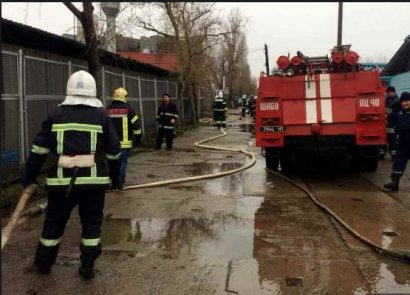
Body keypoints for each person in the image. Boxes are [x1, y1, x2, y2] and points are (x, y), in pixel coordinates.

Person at [22, 70, 121, 279]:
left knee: (54, 224)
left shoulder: (56, 114)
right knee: (92, 225)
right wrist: (115, 179)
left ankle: (43, 265)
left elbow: (39, 150)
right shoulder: (101, 115)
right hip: (94, 183)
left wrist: (29, 178)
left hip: (61, 183)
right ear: (93, 91)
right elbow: (114, 151)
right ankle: (87, 268)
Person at [106, 87, 142, 188]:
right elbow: (136, 127)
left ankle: (112, 180)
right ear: (125, 97)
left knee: (111, 163)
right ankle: (119, 180)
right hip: (124, 144)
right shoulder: (129, 110)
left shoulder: (107, 110)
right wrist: (138, 139)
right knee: (122, 162)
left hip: (110, 144)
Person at [384, 92, 410, 191]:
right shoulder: (399, 111)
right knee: (398, 162)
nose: (405, 103)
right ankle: (394, 183)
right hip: (402, 143)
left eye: (407, 101)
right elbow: (390, 119)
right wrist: (386, 119)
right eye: (403, 101)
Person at [382, 86, 401, 161]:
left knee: (392, 140)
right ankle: (381, 154)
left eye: (391, 92)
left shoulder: (397, 101)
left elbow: (395, 113)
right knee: (383, 139)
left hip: (392, 123)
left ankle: (394, 156)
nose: (390, 93)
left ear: (394, 92)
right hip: (385, 122)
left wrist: (387, 117)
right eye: (388, 92)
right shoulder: (386, 99)